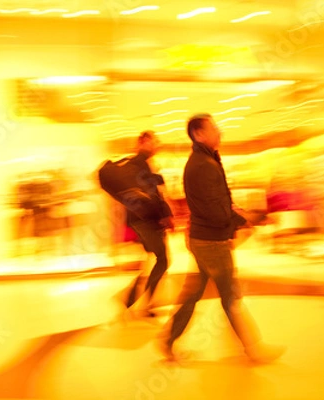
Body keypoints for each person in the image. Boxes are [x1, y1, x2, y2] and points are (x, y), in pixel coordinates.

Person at [157, 114, 286, 363]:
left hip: (204, 239)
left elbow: (217, 204)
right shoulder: (204, 165)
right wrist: (242, 220)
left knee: (194, 294)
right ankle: (253, 348)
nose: (220, 132)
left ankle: (168, 340)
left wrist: (240, 216)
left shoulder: (204, 160)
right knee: (230, 297)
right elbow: (214, 210)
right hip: (212, 242)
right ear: (199, 134)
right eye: (214, 128)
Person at [122, 131, 174, 318]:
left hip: (140, 220)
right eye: (154, 142)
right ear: (143, 142)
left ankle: (130, 299)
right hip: (147, 220)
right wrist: (165, 216)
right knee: (163, 259)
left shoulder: (136, 164)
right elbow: (152, 195)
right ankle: (145, 302)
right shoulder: (140, 164)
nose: (157, 145)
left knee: (152, 260)